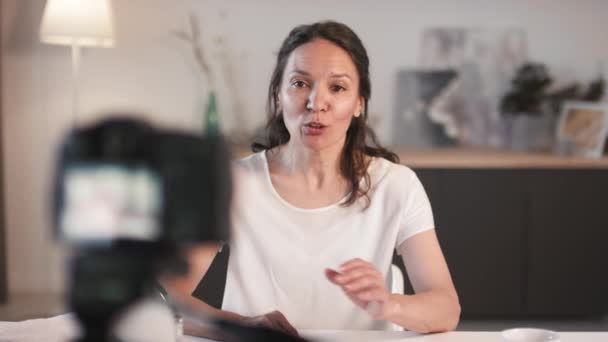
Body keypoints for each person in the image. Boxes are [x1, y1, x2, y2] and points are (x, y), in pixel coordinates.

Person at [160, 20, 460, 338]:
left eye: (338, 87)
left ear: (359, 102)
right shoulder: (233, 183)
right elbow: (175, 300)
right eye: (300, 83)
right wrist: (242, 327)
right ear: (278, 94)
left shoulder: (396, 185)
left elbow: (446, 308)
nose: (316, 103)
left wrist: (389, 306)